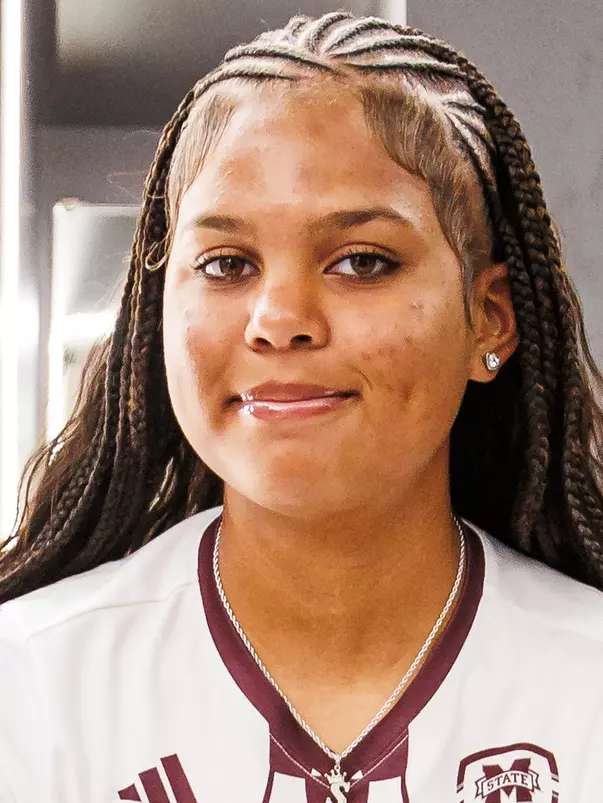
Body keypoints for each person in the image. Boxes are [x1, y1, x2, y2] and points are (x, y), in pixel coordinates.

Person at [1, 10, 603, 802]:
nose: (278, 319)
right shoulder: (30, 689)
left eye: (361, 260)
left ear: (487, 317)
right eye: (225, 264)